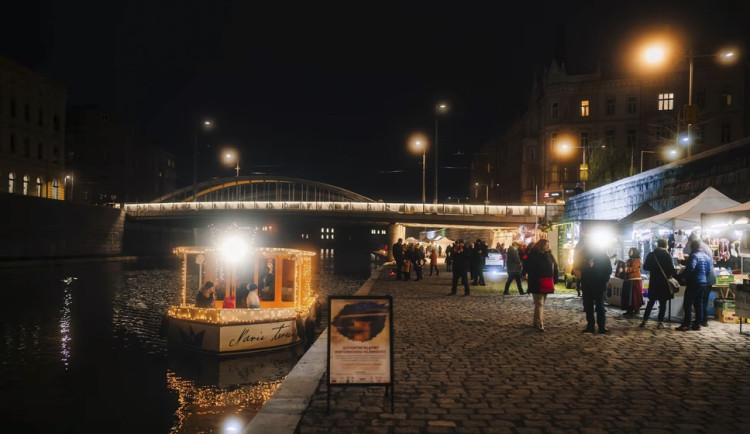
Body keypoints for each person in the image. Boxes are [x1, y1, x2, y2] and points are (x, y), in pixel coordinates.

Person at [675, 239, 712, 331]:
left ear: (693, 247)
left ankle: (686, 324)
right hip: (703, 282)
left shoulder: (694, 256)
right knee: (699, 304)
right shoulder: (706, 257)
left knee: (688, 303)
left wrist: (684, 277)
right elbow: (708, 270)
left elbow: (691, 267)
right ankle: (698, 324)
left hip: (693, 282)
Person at [683, 232, 716, 327]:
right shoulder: (705, 247)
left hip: (702, 278)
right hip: (706, 278)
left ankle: (700, 321)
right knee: (701, 301)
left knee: (698, 302)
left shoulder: (698, 252)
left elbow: (694, 266)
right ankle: (700, 321)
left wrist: (685, 275)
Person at [524, 239, 558, 331]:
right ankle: (539, 324)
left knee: (540, 304)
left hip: (547, 282)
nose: (548, 246)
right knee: (539, 303)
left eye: (548, 245)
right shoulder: (533, 256)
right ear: (541, 245)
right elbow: (529, 269)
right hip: (537, 282)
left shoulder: (549, 256)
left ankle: (536, 322)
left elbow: (555, 267)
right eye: (546, 245)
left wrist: (555, 279)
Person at [641, 238, 676, 329]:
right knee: (663, 303)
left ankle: (644, 321)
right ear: (665, 245)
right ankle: (660, 322)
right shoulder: (667, 255)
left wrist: (654, 269)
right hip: (663, 282)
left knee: (651, 302)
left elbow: (645, 267)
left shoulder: (652, 254)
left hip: (654, 281)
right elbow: (671, 269)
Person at [579, 243, 613, 334]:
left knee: (600, 306)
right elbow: (579, 267)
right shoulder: (585, 255)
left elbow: (608, 270)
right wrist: (588, 267)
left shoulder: (603, 256)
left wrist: (603, 279)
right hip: (587, 284)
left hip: (599, 284)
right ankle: (590, 326)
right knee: (588, 306)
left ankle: (601, 326)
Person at [621, 248, 643, 318]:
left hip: (634, 280)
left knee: (633, 296)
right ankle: (629, 310)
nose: (629, 252)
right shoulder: (629, 260)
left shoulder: (636, 260)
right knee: (628, 296)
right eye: (629, 251)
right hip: (629, 279)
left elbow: (633, 268)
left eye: (631, 251)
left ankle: (635, 310)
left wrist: (625, 269)